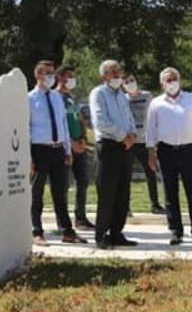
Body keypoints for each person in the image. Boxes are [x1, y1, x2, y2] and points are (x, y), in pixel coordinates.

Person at [145, 67, 192, 245]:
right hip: (166, 151)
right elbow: (150, 131)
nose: (172, 82)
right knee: (170, 193)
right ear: (162, 84)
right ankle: (176, 231)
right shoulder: (156, 103)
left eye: (175, 78)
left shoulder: (191, 99)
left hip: (188, 150)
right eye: (168, 80)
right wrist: (151, 154)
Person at [28, 60, 84, 246]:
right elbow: (26, 128)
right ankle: (36, 231)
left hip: (58, 149)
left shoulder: (56, 97)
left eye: (52, 72)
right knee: (37, 192)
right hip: (39, 149)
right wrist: (29, 157)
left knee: (60, 192)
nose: (50, 76)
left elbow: (63, 124)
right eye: (46, 73)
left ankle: (67, 231)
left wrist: (67, 149)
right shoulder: (29, 99)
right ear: (38, 75)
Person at [89, 60, 139, 249]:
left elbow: (129, 118)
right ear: (104, 76)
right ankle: (101, 234)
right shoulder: (98, 93)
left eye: (119, 71)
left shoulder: (122, 96)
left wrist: (132, 134)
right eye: (113, 72)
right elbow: (100, 121)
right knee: (107, 193)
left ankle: (117, 232)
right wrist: (123, 136)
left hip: (126, 146)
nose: (117, 75)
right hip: (109, 146)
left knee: (122, 193)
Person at [56, 65, 95, 231]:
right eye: (69, 76)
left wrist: (84, 138)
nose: (72, 79)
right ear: (60, 77)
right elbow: (59, 123)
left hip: (80, 144)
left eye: (73, 76)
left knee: (83, 181)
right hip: (66, 146)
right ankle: (62, 221)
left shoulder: (71, 97)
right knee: (63, 184)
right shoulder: (55, 97)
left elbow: (79, 118)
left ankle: (81, 218)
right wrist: (70, 142)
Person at [124, 73, 165, 215]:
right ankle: (125, 207)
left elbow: (155, 116)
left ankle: (155, 204)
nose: (130, 83)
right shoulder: (123, 99)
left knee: (151, 172)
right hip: (130, 141)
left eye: (132, 80)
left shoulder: (147, 96)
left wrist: (155, 138)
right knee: (126, 175)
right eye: (126, 82)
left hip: (145, 141)